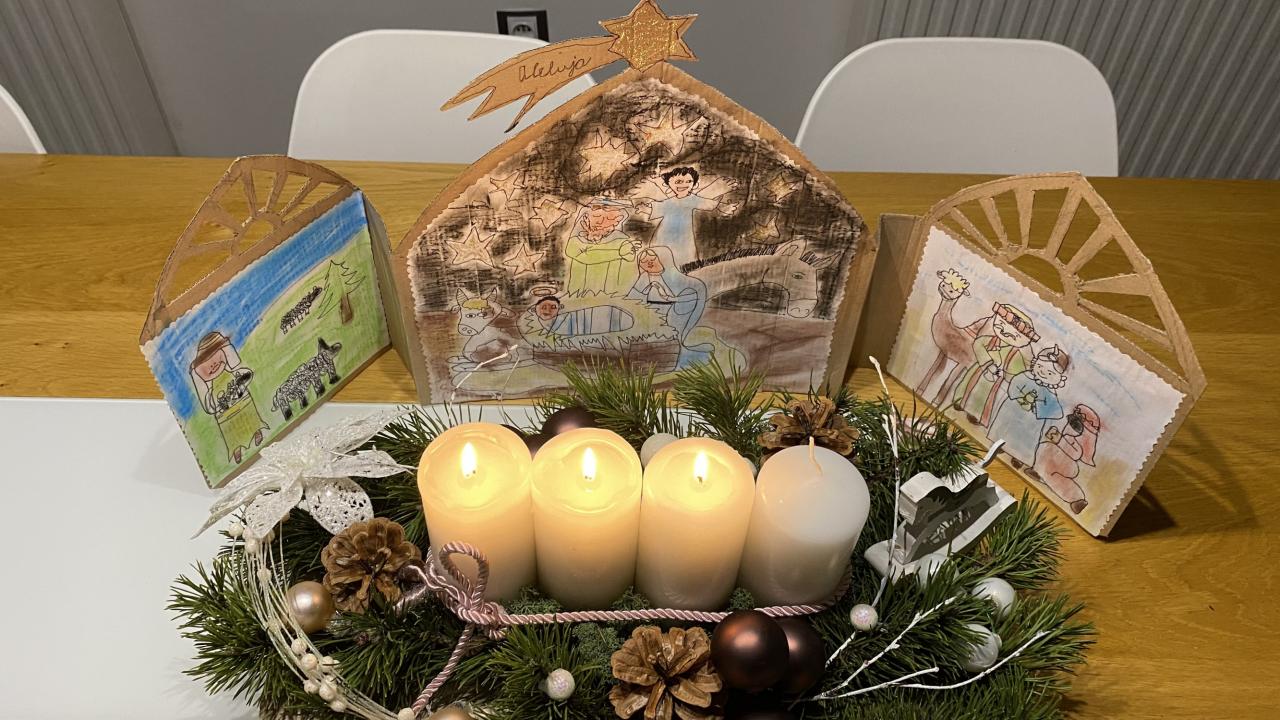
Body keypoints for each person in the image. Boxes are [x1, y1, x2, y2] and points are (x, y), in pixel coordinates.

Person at [953, 303, 1038, 429]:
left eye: (1014, 335)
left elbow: (1017, 371)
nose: (1004, 332)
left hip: (995, 381)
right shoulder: (990, 340)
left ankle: (976, 414)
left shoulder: (1016, 354)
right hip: (980, 370)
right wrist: (987, 362)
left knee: (984, 397)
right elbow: (978, 344)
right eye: (1001, 325)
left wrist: (1003, 372)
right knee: (967, 384)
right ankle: (960, 401)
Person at [626, 246, 713, 368]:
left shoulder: (676, 279)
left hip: (671, 314)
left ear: (663, 259)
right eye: (644, 261)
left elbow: (694, 294)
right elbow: (632, 299)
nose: (649, 263)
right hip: (650, 317)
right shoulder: (644, 278)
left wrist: (671, 298)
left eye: (653, 258)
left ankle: (676, 351)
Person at [189, 331, 268, 464]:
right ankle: (236, 451)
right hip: (226, 417)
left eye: (215, 356)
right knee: (232, 434)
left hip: (244, 405)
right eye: (207, 361)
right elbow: (210, 406)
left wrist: (242, 380)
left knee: (251, 420)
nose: (213, 364)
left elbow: (246, 374)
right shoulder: (210, 391)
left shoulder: (233, 373)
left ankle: (257, 433)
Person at [638, 167, 736, 268]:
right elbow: (654, 210)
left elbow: (710, 205)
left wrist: (724, 206)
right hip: (665, 235)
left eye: (689, 181)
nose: (684, 185)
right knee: (663, 256)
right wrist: (644, 209)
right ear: (668, 183)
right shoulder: (668, 202)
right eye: (678, 182)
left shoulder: (693, 199)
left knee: (684, 258)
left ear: (694, 184)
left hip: (685, 236)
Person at [989, 345, 1070, 468]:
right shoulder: (1025, 376)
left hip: (1031, 423)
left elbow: (1057, 412)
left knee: (1025, 438)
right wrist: (1020, 397)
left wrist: (1037, 407)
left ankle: (1018, 456)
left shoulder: (1049, 393)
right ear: (1035, 362)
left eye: (1050, 373)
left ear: (1059, 378)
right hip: (1013, 410)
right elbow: (1013, 386)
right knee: (1006, 426)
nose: (1043, 372)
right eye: (1040, 366)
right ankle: (998, 444)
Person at [1030, 404, 1100, 515]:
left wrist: (1060, 441)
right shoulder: (1064, 436)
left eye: (1073, 426)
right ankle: (1038, 470)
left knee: (1058, 479)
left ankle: (1077, 498)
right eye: (1069, 424)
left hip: (1068, 464)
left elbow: (1076, 454)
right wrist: (1054, 438)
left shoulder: (1072, 440)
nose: (1068, 427)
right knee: (1044, 449)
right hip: (1056, 457)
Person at [563, 198, 638, 295]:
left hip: (607, 292)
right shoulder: (578, 238)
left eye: (608, 219)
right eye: (597, 217)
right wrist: (618, 253)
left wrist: (625, 252)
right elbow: (577, 254)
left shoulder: (621, 238)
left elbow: (629, 257)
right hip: (579, 292)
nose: (599, 223)